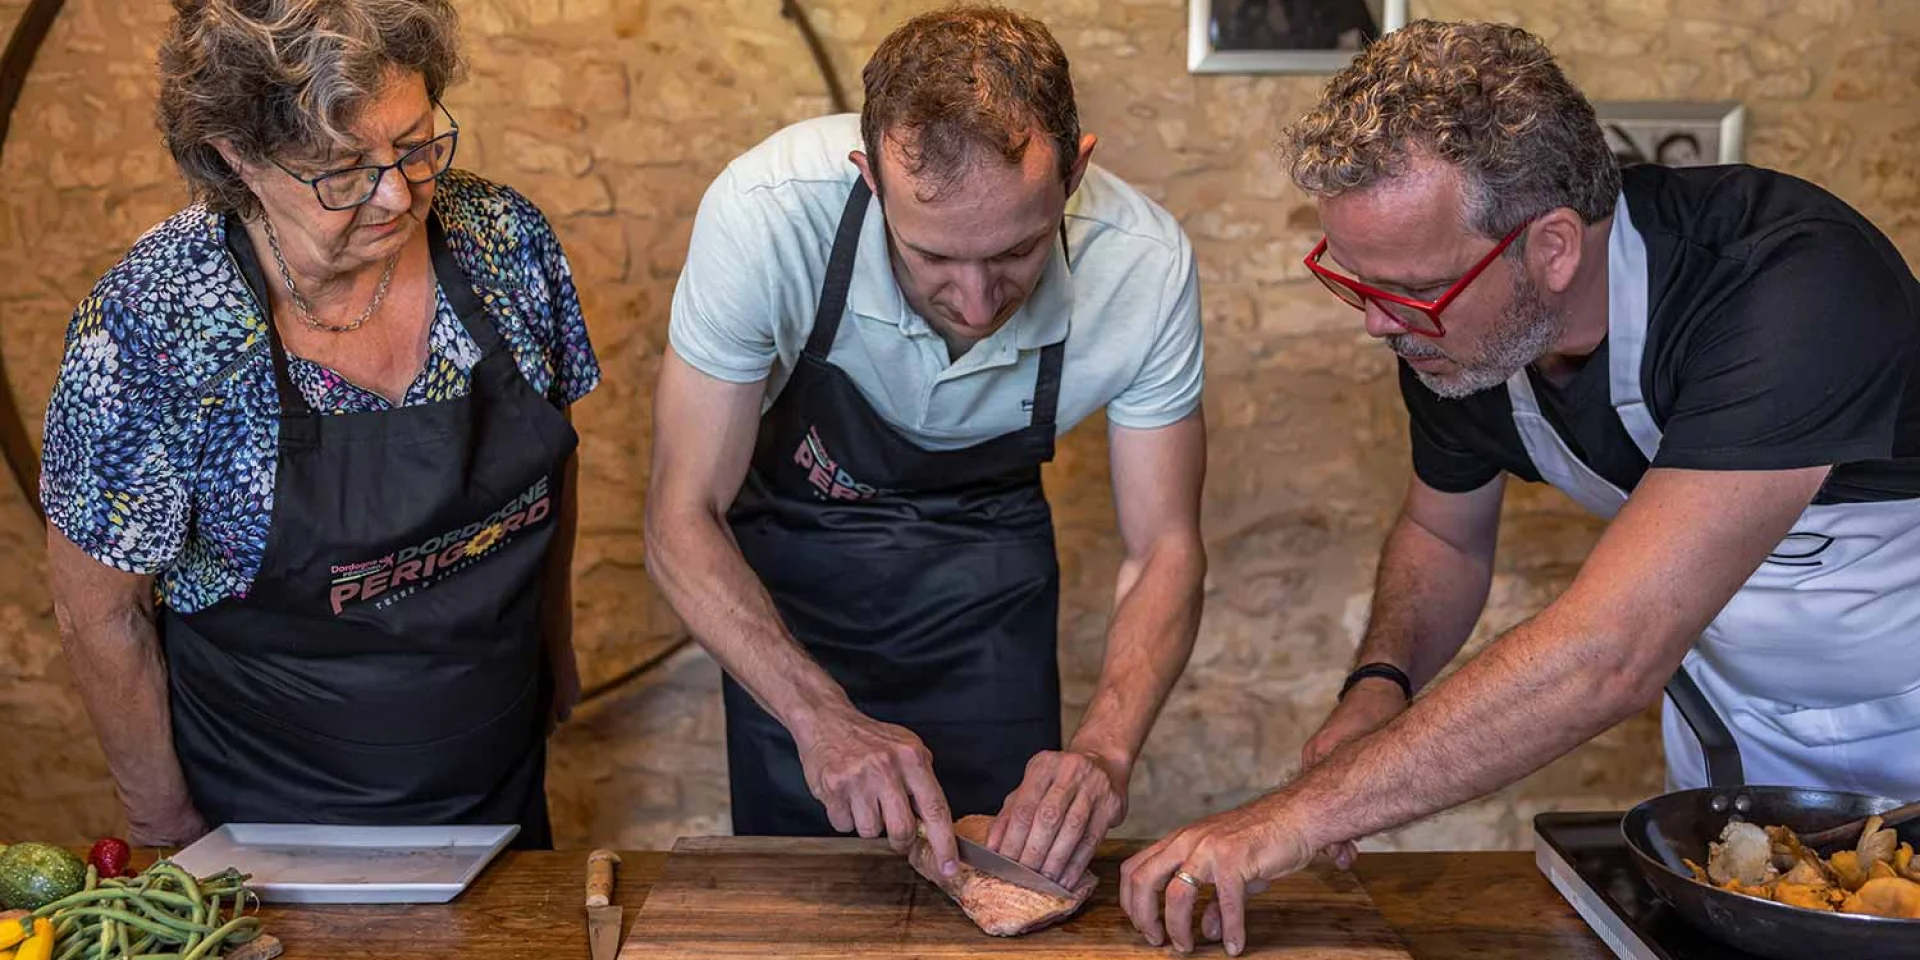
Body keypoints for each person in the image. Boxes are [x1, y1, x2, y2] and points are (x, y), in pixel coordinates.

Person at [1121, 19, 1920, 956]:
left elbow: (1609, 654)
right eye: (1358, 284)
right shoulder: (1455, 338)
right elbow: (1443, 535)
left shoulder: (1792, 283)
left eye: (1411, 290)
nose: (1379, 325)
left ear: (1551, 248)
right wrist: (1382, 685)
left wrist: (1288, 818)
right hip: (1741, 743)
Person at [646, 3, 1206, 886]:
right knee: (803, 899)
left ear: (1076, 169)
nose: (978, 303)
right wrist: (817, 715)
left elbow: (1165, 544)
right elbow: (682, 516)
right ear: (870, 179)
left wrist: (1105, 752)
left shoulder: (1145, 267)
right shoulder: (765, 216)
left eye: (1018, 252)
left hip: (986, 589)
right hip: (794, 595)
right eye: (934, 256)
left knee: (1004, 880)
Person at [42, 0, 599, 850]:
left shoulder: (505, 241)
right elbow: (100, 615)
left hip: (495, 793)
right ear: (240, 157)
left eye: (415, 143)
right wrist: (165, 827)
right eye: (341, 169)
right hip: (267, 822)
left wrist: (555, 638)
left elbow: (551, 464)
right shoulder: (153, 323)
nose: (397, 191)